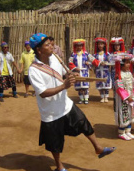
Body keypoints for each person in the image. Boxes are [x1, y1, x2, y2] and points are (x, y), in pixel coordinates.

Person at [28, 33, 115, 171]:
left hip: (65, 105)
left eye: (51, 44)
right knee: (55, 142)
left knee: (83, 122)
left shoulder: (55, 59)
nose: (52, 46)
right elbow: (43, 93)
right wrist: (64, 86)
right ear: (39, 50)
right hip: (51, 112)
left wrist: (72, 74)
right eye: (47, 45)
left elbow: (64, 73)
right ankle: (59, 166)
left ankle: (98, 148)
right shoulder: (33, 70)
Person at [113, 53, 134, 140]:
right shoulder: (118, 75)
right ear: (121, 64)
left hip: (130, 98)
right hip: (122, 99)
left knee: (130, 114)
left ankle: (128, 131)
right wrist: (127, 97)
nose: (128, 64)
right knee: (123, 113)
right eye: (127, 63)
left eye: (129, 62)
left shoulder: (129, 73)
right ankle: (121, 132)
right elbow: (119, 88)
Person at [69, 39, 101, 104]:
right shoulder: (73, 54)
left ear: (82, 46)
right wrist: (75, 68)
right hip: (77, 73)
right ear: (75, 46)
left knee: (85, 87)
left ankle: (86, 98)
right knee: (79, 88)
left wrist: (88, 63)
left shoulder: (86, 54)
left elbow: (93, 60)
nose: (79, 47)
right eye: (78, 46)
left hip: (85, 72)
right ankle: (81, 98)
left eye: (80, 46)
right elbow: (70, 62)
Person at [93, 37, 111, 103]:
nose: (100, 45)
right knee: (100, 83)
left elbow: (110, 61)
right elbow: (93, 62)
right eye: (99, 44)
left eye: (102, 44)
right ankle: (102, 96)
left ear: (104, 45)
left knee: (106, 83)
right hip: (98, 71)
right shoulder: (95, 55)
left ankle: (106, 96)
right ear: (97, 45)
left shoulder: (107, 54)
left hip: (105, 71)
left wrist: (106, 63)